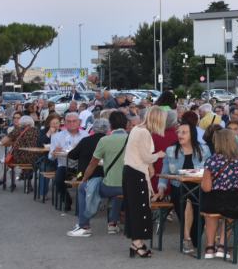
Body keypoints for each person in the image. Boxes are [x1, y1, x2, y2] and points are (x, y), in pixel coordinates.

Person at [67, 112, 128, 237]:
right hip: (129, 186)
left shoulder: (105, 140)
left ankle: (84, 226)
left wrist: (84, 179)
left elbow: (93, 163)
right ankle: (112, 224)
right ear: (126, 124)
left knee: (83, 187)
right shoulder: (132, 139)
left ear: (111, 125)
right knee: (118, 192)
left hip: (110, 185)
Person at [200, 129, 238, 259]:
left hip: (215, 201)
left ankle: (210, 247)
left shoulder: (212, 161)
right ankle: (222, 245)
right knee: (231, 212)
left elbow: (206, 188)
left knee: (210, 214)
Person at [122, 107, 166, 258]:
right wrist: (159, 155)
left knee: (135, 208)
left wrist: (150, 165)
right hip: (136, 173)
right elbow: (146, 157)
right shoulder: (144, 132)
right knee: (140, 209)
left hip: (131, 171)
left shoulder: (137, 129)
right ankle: (137, 243)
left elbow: (139, 154)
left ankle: (136, 242)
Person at [157, 119, 205, 254]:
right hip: (178, 186)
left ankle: (191, 238)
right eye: (179, 132)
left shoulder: (203, 149)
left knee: (198, 228)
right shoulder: (171, 150)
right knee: (187, 200)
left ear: (193, 135)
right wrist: (161, 189)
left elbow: (209, 171)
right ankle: (186, 238)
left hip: (199, 187)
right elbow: (164, 171)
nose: (180, 135)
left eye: (184, 132)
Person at [47, 112, 89, 212]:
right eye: (69, 121)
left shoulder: (85, 135)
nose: (72, 123)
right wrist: (54, 153)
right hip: (65, 167)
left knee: (83, 179)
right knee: (58, 180)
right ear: (65, 123)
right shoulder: (57, 136)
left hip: (80, 169)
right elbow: (50, 157)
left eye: (74, 121)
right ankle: (66, 199)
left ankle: (84, 204)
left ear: (79, 122)